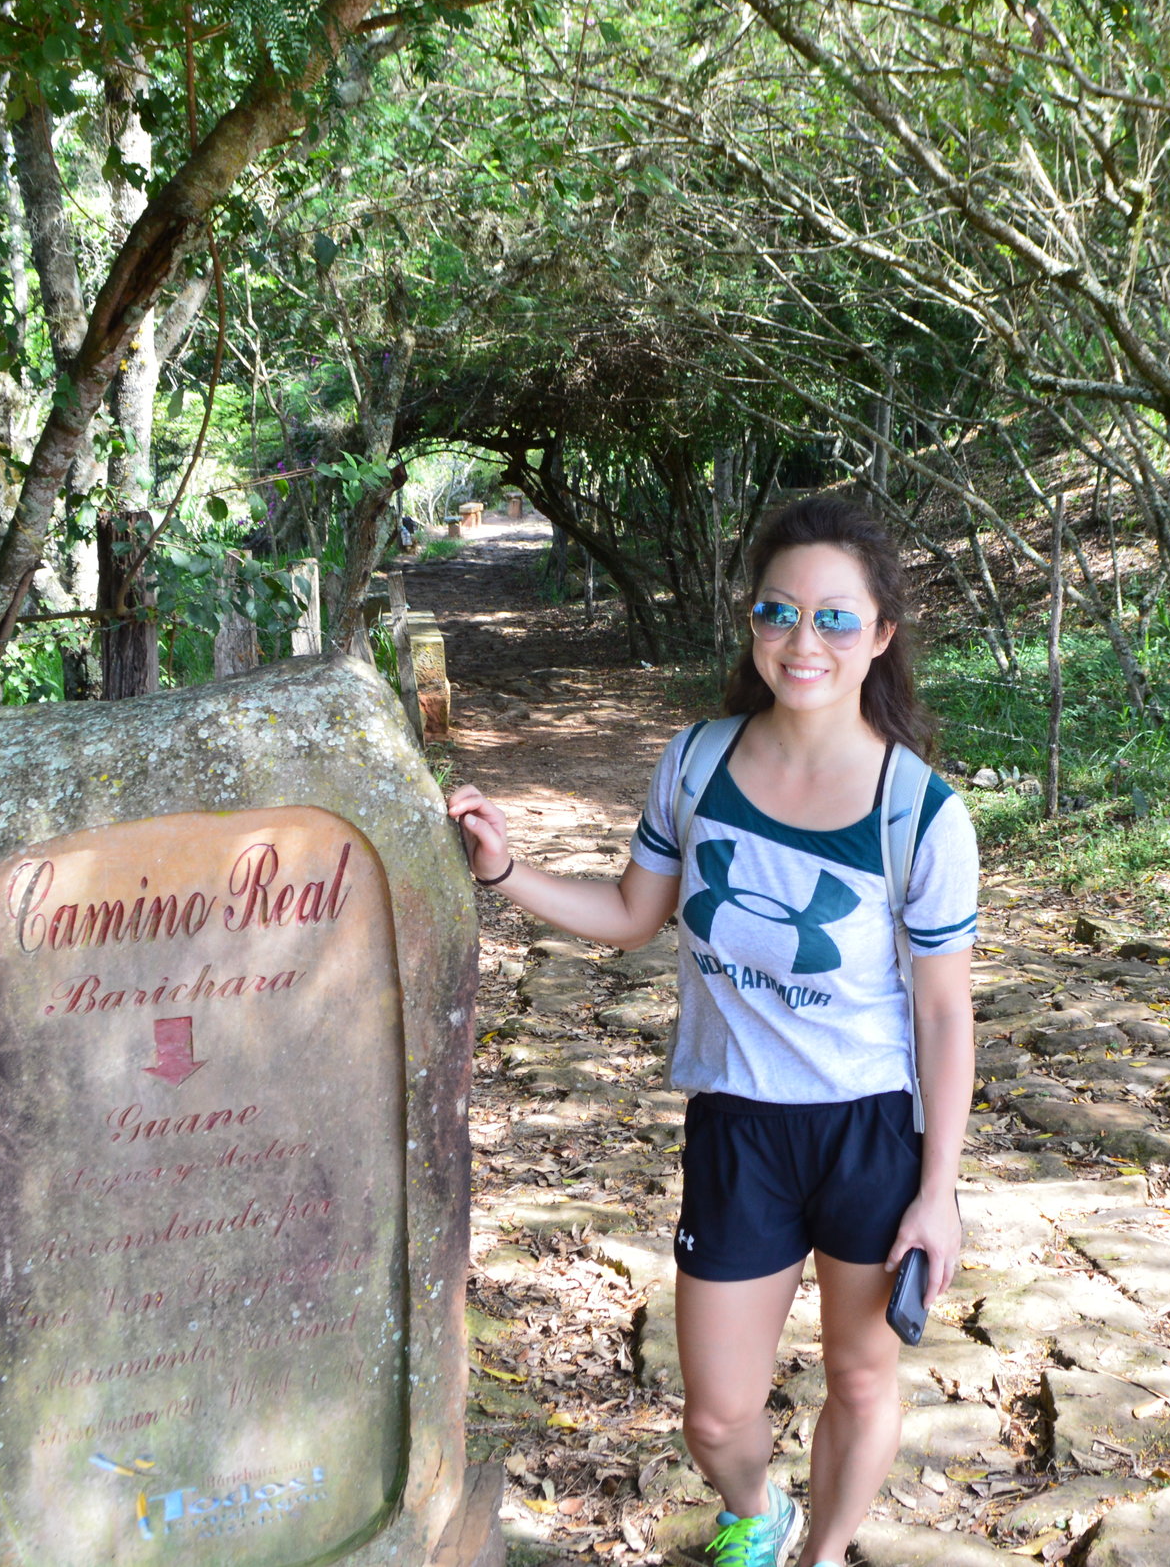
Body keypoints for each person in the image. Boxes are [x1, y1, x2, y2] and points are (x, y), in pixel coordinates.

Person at [445, 494, 977, 1567]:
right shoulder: (695, 763)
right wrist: (507, 872)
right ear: (751, 624)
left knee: (861, 1376)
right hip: (738, 1125)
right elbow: (636, 916)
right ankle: (760, 1510)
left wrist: (937, 1192)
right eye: (778, 612)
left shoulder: (918, 813)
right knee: (716, 1418)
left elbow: (941, 1014)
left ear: (879, 635)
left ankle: (819, 1553)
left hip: (871, 1128)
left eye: (835, 618)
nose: (803, 640)